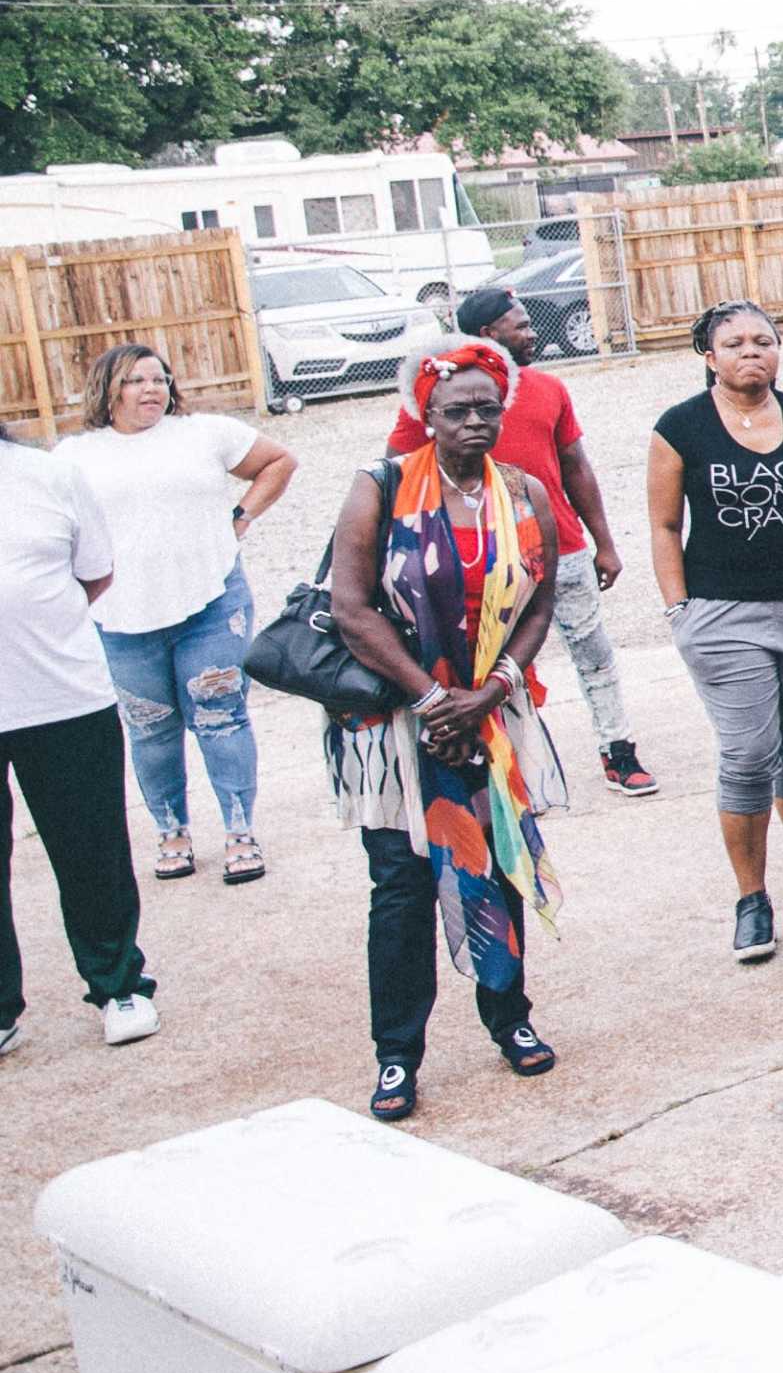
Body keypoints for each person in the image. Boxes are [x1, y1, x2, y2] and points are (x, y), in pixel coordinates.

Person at [329, 343, 567, 1119]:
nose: (473, 422)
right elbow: (351, 608)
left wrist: (489, 691)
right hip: (401, 725)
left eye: (486, 408)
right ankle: (397, 1054)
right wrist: (434, 697)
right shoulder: (382, 487)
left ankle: (510, 1016)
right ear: (423, 415)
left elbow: (539, 605)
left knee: (497, 865)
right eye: (456, 410)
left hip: (490, 720)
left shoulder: (525, 492)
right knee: (400, 889)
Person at [647, 302, 783, 963]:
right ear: (709, 356)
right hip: (721, 612)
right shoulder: (680, 427)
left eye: (765, 341)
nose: (753, 351)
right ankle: (752, 898)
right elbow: (663, 526)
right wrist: (678, 609)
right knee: (748, 753)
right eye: (734, 342)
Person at [389, 287, 654, 799]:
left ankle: (617, 747)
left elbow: (576, 466)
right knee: (490, 661)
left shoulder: (549, 388)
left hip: (560, 547)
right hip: (478, 555)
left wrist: (604, 541)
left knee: (591, 647)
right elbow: (398, 477)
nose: (533, 333)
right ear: (489, 334)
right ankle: (505, 758)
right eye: (522, 324)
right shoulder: (434, 398)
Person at [63, 344, 291, 885]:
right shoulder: (74, 455)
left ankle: (240, 834)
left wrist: (241, 517)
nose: (151, 389)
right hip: (122, 616)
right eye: (135, 380)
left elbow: (279, 461)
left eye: (159, 379)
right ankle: (172, 834)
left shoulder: (204, 433)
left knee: (221, 718)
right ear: (107, 390)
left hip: (211, 604)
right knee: (150, 730)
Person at [0, 424, 154, 1060]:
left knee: (89, 848)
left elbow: (95, 574)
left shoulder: (47, 475)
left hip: (61, 695)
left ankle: (118, 986)